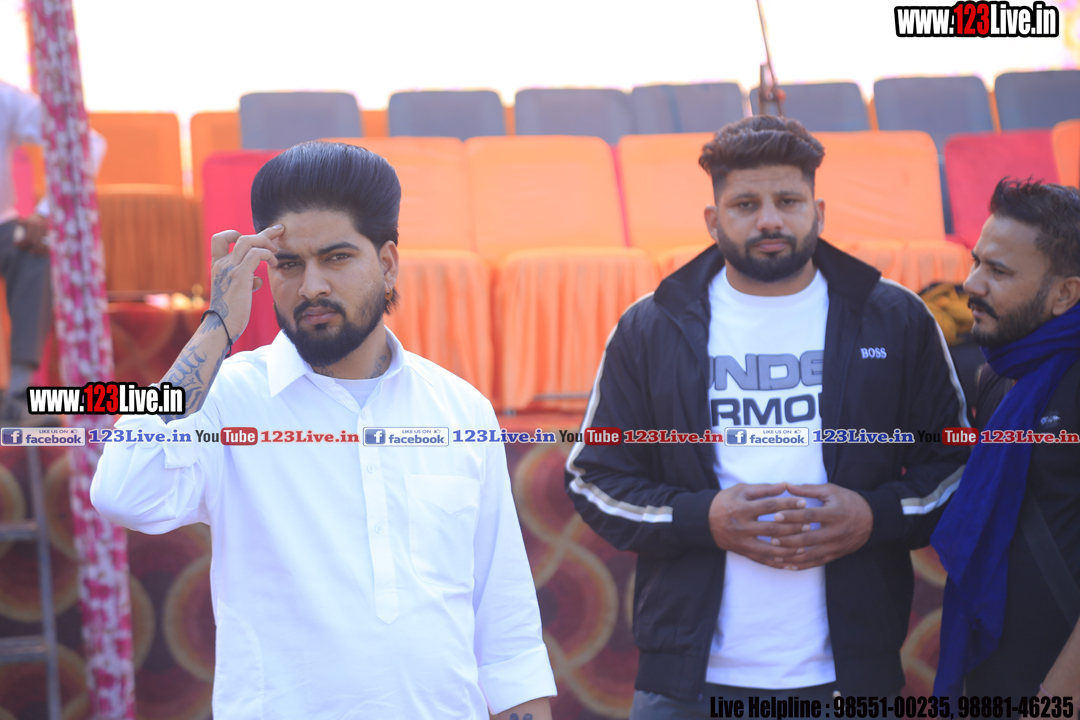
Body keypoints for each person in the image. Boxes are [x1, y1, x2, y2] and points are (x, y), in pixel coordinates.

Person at [91, 142, 556, 720]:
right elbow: (124, 491)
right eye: (289, 264)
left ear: (388, 264)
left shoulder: (461, 410)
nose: (311, 286)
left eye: (336, 258)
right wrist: (217, 326)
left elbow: (506, 628)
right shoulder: (228, 400)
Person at [564, 115, 968, 713]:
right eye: (746, 205)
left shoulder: (895, 318)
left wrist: (873, 516)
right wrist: (704, 519)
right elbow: (593, 477)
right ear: (713, 220)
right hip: (687, 685)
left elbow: (958, 465)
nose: (770, 220)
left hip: (849, 676)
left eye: (788, 201)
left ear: (818, 211)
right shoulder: (652, 326)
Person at [932, 179, 1080, 701]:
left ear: (1065, 294)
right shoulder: (998, 376)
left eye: (998, 271)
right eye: (976, 262)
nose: (970, 283)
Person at [0, 79, 105, 418]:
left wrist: (47, 213)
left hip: (3, 227)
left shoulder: (5, 98)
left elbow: (85, 143)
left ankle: (18, 394)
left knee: (35, 249)